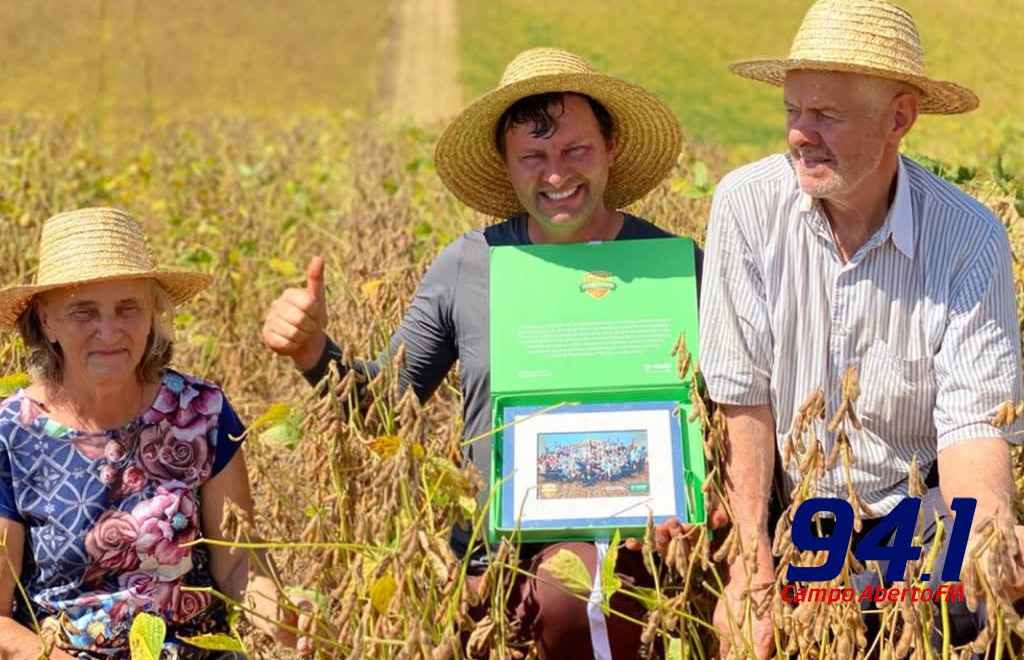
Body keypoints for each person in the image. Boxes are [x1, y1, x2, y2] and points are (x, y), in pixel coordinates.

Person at [261, 47, 702, 659]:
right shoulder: (468, 263)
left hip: (651, 545)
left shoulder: (674, 267)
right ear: (507, 165)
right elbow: (389, 405)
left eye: (576, 150)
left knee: (576, 598)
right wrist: (315, 352)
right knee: (560, 597)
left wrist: (703, 507)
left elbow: (727, 410)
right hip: (496, 552)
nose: (556, 176)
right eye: (534, 157)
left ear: (611, 148)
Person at [700, 0, 1024, 658]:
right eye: (792, 110)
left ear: (899, 118)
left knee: (990, 593)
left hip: (920, 509)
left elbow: (972, 426)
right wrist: (748, 564)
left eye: (826, 115)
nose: (799, 132)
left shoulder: (968, 238)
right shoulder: (745, 207)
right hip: (800, 510)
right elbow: (744, 400)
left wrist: (987, 529)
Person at [0, 207, 313, 659]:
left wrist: (278, 610)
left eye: (128, 308)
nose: (109, 331)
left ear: (152, 313)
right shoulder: (12, 435)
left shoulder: (200, 412)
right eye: (83, 312)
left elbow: (238, 562)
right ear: (46, 321)